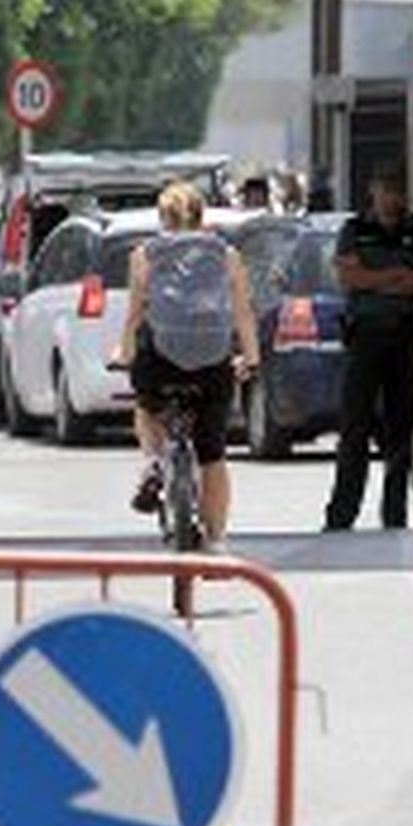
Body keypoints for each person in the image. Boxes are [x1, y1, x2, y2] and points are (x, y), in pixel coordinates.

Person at [112, 182, 261, 554]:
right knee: (212, 455)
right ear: (201, 216)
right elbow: (243, 313)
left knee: (146, 407)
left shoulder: (145, 254)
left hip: (161, 362)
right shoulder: (227, 255)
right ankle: (216, 541)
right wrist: (251, 358)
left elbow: (134, 314)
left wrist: (125, 352)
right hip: (213, 363)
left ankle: (153, 465)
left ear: (162, 218)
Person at [324, 166, 413, 531]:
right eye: (386, 188)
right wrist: (396, 278)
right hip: (365, 336)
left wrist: (377, 281)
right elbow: (349, 277)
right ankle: (342, 514)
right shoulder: (355, 230)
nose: (393, 197)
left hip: (405, 335)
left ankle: (394, 514)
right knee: (354, 428)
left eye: (399, 190)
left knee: (400, 429)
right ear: (372, 190)